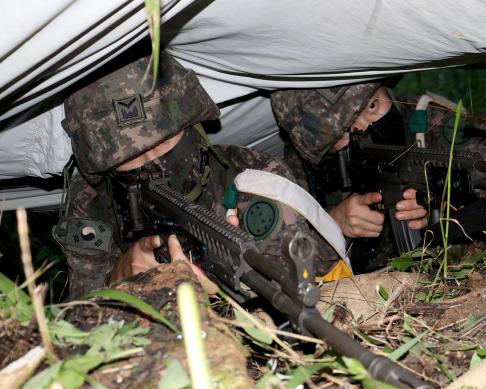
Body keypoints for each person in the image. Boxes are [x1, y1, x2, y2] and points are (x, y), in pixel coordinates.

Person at [54, 53, 337, 300]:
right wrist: (116, 281)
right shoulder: (92, 205)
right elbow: (80, 320)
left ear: (193, 127)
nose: (153, 164)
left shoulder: (255, 177)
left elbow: (308, 281)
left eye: (163, 141)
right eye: (128, 157)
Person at [270, 84, 430, 240]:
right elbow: (283, 252)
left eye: (372, 106)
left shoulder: (430, 124)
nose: (366, 130)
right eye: (343, 132)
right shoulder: (292, 179)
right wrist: (331, 224)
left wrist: (439, 212)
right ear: (325, 149)